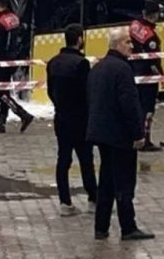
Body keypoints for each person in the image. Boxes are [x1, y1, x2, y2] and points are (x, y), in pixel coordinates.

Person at [87, 27, 154, 242]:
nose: (132, 46)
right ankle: (128, 227)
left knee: (106, 180)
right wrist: (138, 133)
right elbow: (129, 104)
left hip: (101, 133)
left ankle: (101, 226)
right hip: (120, 135)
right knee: (124, 182)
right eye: (127, 42)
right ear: (116, 45)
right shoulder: (122, 69)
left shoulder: (98, 68)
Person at [46, 24, 98, 217]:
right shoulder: (81, 64)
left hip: (61, 117)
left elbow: (50, 90)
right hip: (80, 118)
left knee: (63, 159)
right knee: (86, 159)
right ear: (79, 40)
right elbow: (87, 92)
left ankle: (64, 201)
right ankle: (93, 198)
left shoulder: (53, 62)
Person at [0, 0, 34, 134]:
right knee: (4, 90)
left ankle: (23, 114)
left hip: (2, 61)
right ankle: (1, 122)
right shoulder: (13, 18)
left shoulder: (0, 23)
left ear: (0, 5)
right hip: (13, 59)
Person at [129, 0, 164, 152]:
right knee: (147, 109)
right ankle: (145, 139)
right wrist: (161, 76)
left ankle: (133, 136)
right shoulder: (151, 37)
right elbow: (153, 60)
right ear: (155, 15)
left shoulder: (134, 25)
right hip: (147, 76)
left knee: (136, 107)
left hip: (133, 72)